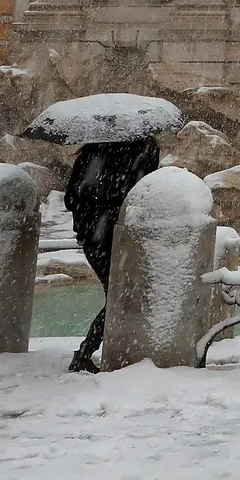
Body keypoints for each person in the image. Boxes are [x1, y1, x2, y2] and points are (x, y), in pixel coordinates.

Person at [63, 135, 161, 373]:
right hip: (121, 238)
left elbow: (69, 199)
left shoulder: (89, 155)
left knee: (116, 296)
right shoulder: (141, 152)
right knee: (120, 298)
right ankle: (88, 351)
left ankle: (97, 351)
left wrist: (89, 214)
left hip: (92, 238)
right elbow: (141, 195)